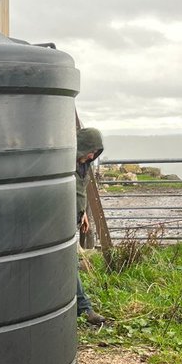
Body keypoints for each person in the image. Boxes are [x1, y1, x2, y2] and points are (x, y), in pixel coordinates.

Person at [76, 127, 106, 326]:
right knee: (68, 265)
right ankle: (85, 308)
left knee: (66, 265)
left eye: (95, 152)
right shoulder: (62, 165)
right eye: (90, 150)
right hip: (58, 221)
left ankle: (80, 308)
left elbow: (79, 191)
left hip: (74, 218)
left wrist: (83, 213)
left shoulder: (84, 166)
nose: (92, 155)